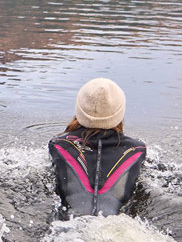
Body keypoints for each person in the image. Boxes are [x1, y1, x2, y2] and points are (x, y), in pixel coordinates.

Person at [49, 77, 146, 218]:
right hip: (117, 224)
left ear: (79, 110)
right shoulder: (137, 150)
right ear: (120, 113)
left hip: (69, 224)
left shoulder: (58, 145)